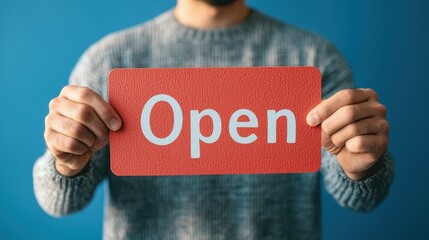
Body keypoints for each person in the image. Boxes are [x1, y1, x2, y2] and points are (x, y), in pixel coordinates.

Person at [33, 0, 393, 239]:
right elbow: (60, 202)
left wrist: (363, 166)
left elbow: (361, 198)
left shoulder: (314, 58)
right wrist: (65, 162)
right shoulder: (111, 60)